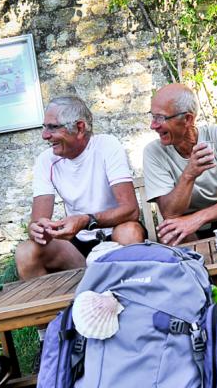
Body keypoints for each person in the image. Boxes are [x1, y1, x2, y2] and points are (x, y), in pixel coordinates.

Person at [14, 95, 145, 368]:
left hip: (112, 233)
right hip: (79, 245)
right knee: (27, 252)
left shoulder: (106, 146)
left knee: (130, 232)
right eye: (44, 127)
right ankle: (51, 337)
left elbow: (130, 209)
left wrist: (87, 220)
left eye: (52, 128)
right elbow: (38, 220)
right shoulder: (45, 161)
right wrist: (38, 229)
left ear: (80, 128)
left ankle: (137, 324)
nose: (44, 136)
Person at [143, 83, 217, 246]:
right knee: (171, 233)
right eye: (152, 116)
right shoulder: (154, 152)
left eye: (161, 118)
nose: (153, 125)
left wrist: (197, 219)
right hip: (187, 229)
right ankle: (206, 272)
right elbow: (170, 214)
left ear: (187, 119)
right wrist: (189, 174)